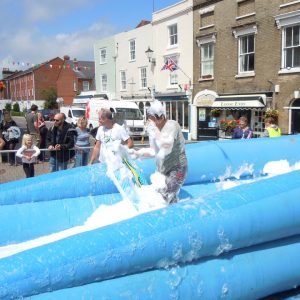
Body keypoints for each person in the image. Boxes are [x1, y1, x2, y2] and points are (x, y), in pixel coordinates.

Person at [129, 100, 187, 204]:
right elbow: (154, 151)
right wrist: (139, 153)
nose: (149, 123)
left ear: (161, 118)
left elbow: (166, 146)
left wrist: (155, 132)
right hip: (162, 170)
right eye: (149, 120)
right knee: (161, 196)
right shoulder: (154, 130)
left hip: (177, 169)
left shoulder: (172, 125)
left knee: (167, 196)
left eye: (151, 120)